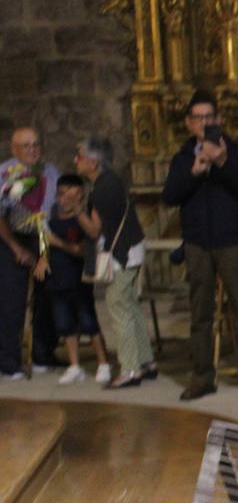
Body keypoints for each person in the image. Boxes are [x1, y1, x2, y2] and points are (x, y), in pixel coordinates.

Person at [163, 89, 238, 399]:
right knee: (200, 313)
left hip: (233, 241)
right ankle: (201, 376)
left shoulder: (236, 151)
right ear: (189, 123)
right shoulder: (184, 156)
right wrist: (194, 171)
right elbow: (171, 195)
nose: (204, 123)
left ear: (219, 120)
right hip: (198, 242)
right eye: (198, 118)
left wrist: (222, 161)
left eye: (209, 117)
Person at [75, 137, 156, 390]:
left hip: (121, 254)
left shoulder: (101, 187)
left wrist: (75, 211)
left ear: (92, 162)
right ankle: (146, 362)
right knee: (130, 307)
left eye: (79, 156)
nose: (75, 161)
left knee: (119, 309)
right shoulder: (112, 181)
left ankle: (130, 370)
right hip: (133, 248)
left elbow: (95, 230)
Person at [34, 174, 111, 385]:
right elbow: (44, 243)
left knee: (89, 322)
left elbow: (82, 250)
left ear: (80, 194)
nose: (64, 198)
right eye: (61, 193)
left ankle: (103, 363)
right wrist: (42, 257)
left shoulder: (83, 220)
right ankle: (75, 365)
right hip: (56, 280)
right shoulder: (50, 219)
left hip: (78, 280)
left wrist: (57, 243)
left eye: (70, 192)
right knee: (65, 325)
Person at [0, 126, 60, 377]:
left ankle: (42, 354)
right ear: (15, 149)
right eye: (26, 145)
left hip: (41, 235)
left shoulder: (50, 172)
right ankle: (8, 361)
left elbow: (52, 213)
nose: (32, 149)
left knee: (49, 293)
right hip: (10, 236)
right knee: (11, 301)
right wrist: (16, 247)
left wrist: (44, 253)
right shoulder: (7, 174)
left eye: (35, 144)